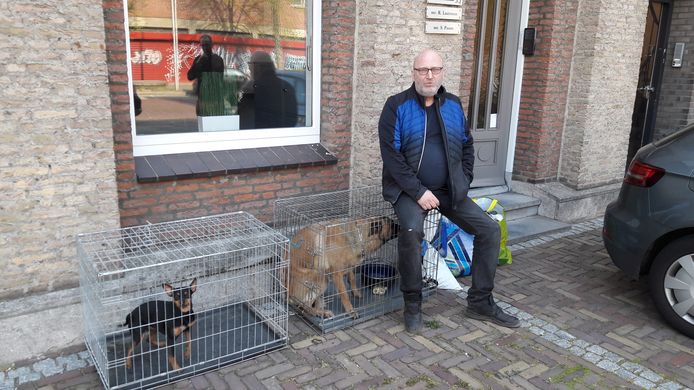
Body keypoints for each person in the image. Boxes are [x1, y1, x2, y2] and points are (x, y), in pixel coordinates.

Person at [378, 48, 520, 333]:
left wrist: (464, 180)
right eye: (423, 70)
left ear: (442, 72)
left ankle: (480, 301)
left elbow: (467, 145)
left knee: (489, 231)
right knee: (410, 232)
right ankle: (413, 305)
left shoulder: (453, 105)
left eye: (434, 69)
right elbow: (391, 156)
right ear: (413, 73)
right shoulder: (396, 106)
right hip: (409, 192)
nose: (429, 75)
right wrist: (418, 192)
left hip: (449, 190)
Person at [238, 51, 298, 129]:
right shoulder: (287, 86)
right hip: (282, 137)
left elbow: (243, 119)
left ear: (258, 67)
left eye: (250, 65)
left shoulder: (253, 88)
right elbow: (292, 120)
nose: (249, 69)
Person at [187, 35, 225, 116]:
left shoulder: (217, 59)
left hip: (215, 98)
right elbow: (190, 76)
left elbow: (219, 77)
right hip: (202, 98)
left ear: (211, 44)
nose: (204, 47)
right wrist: (197, 65)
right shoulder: (198, 60)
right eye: (202, 45)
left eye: (206, 44)